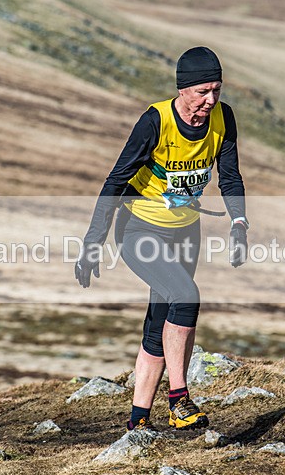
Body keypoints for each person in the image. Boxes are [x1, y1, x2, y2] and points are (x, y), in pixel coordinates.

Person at [75, 46, 248, 431]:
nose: (211, 99)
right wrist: (92, 243)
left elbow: (230, 176)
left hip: (186, 230)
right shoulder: (155, 121)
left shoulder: (224, 118)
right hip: (139, 229)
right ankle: (179, 400)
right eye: (203, 91)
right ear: (183, 89)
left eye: (217, 90)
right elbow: (115, 182)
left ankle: (137, 420)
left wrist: (239, 222)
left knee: (162, 320)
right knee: (186, 296)